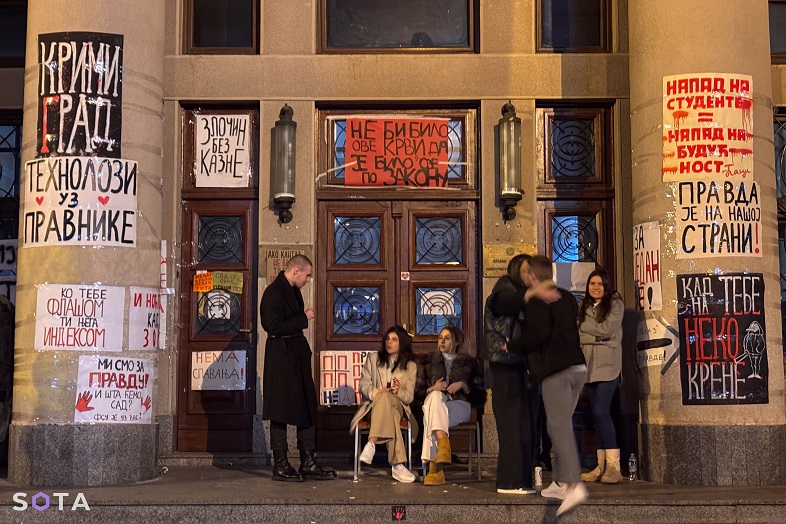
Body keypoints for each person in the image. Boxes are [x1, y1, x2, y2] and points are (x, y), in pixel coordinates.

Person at [517, 255, 588, 516]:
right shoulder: (567, 297)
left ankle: (573, 485)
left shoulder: (536, 300)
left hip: (555, 370)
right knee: (562, 424)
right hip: (578, 368)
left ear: (532, 276)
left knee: (558, 426)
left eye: (525, 274)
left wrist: (511, 345)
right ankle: (559, 482)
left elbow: (536, 335)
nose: (524, 278)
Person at [483, 254, 558, 494]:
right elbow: (506, 303)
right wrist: (534, 293)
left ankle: (524, 478)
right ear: (516, 271)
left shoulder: (523, 293)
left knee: (526, 424)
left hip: (522, 365)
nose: (531, 277)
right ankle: (509, 481)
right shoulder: (503, 289)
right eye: (527, 271)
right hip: (503, 364)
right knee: (512, 424)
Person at [260, 255, 336, 482]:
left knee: (307, 406)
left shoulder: (292, 290)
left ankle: (308, 459)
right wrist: (303, 318)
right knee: (279, 411)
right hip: (281, 358)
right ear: (295, 271)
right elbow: (272, 326)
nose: (308, 279)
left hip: (295, 356)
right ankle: (281, 463)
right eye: (307, 274)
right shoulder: (273, 292)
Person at [415, 325, 486, 486]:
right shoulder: (428, 361)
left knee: (431, 418)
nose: (442, 341)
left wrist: (464, 385)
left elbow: (479, 397)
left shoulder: (469, 363)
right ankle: (443, 445)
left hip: (459, 404)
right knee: (434, 399)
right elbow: (417, 394)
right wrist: (433, 388)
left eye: (447, 338)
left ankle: (435, 470)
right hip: (435, 403)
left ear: (456, 342)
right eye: (440, 338)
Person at [350, 325, 418, 483]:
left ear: (402, 343)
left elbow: (408, 397)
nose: (389, 342)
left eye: (394, 340)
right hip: (374, 406)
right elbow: (363, 385)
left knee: (389, 399)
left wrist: (397, 391)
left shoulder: (410, 366)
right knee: (386, 403)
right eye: (387, 339)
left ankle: (371, 442)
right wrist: (376, 393)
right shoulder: (373, 359)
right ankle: (397, 465)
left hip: (399, 406)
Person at [578, 268, 624, 484]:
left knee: (600, 411)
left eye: (599, 284)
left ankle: (614, 468)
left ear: (606, 286)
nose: (595, 288)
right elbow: (578, 335)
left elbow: (607, 330)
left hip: (608, 367)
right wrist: (595, 338)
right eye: (592, 284)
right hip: (590, 367)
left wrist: (588, 330)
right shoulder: (585, 306)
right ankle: (602, 465)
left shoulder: (615, 304)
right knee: (596, 415)